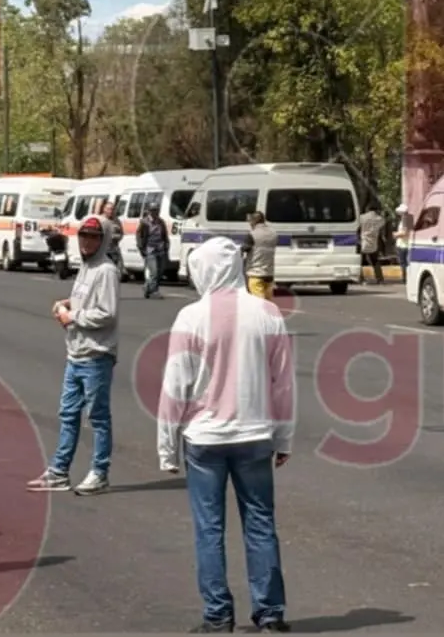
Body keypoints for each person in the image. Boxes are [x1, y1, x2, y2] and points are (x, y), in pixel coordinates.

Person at [157, 237, 295, 634]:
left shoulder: (190, 317)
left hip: (205, 439)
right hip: (255, 435)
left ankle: (218, 614)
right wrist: (284, 438)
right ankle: (270, 612)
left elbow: (175, 387)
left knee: (209, 528)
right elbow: (283, 384)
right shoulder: (268, 313)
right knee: (261, 524)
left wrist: (167, 447)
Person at [27, 216, 120, 495]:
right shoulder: (85, 267)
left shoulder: (106, 270)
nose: (87, 241)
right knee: (68, 414)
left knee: (98, 417)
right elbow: (85, 299)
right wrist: (66, 304)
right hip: (75, 353)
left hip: (96, 354)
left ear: (103, 239)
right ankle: (59, 471)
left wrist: (73, 316)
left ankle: (100, 472)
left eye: (93, 237)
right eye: (83, 236)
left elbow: (107, 313)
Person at [136, 203, 171, 300]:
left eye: (156, 210)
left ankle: (147, 287)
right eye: (153, 210)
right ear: (149, 211)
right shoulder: (144, 222)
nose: (155, 212)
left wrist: (167, 245)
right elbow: (139, 235)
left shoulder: (161, 222)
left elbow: (165, 235)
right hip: (150, 249)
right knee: (154, 271)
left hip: (160, 249)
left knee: (160, 271)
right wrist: (141, 248)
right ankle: (154, 291)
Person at [241, 212, 278, 301]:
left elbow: (245, 249)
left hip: (255, 274)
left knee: (259, 303)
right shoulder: (273, 233)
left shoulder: (252, 234)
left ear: (253, 221)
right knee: (268, 302)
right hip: (269, 273)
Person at [358, 206, 385, 285]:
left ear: (368, 209)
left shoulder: (362, 217)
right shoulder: (379, 219)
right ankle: (380, 279)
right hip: (373, 243)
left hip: (363, 241)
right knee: (375, 262)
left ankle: (361, 279)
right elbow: (383, 222)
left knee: (359, 262)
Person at [101, 200, 124, 273]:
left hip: (114, 250)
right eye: (108, 209)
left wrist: (116, 237)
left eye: (112, 209)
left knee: (117, 270)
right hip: (102, 251)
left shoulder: (117, 220)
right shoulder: (100, 220)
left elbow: (121, 233)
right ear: (104, 210)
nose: (110, 211)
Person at [393, 204, 411, 280]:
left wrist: (396, 234)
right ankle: (405, 277)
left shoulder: (406, 220)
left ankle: (405, 278)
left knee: (403, 263)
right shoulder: (407, 220)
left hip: (403, 245)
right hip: (403, 244)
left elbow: (405, 233)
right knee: (404, 263)